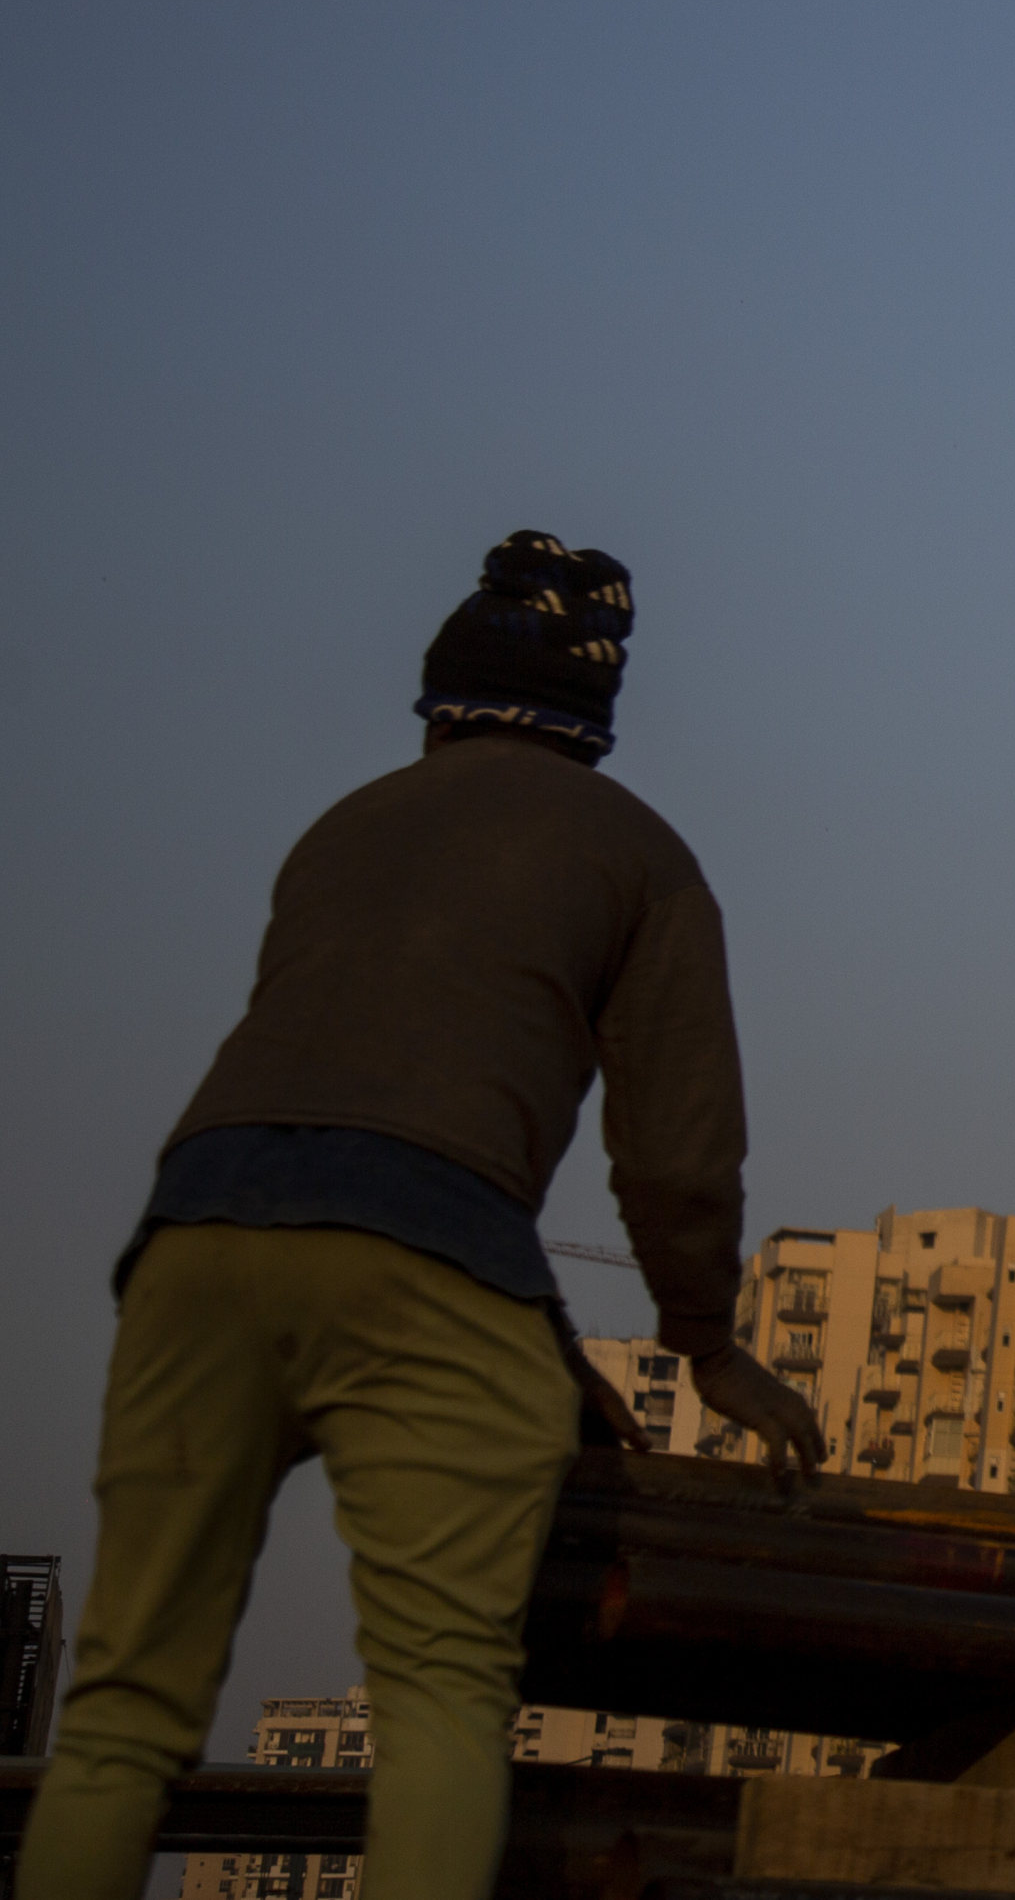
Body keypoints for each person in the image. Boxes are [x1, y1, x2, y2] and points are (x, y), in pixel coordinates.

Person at [22, 533, 824, 1900]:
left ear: (438, 700)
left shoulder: (341, 826)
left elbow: (355, 1118)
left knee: (120, 1706)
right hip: (431, 1263)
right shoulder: (643, 856)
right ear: (594, 718)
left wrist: (542, 1339)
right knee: (442, 1694)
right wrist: (700, 1339)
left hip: (199, 1235)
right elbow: (675, 1152)